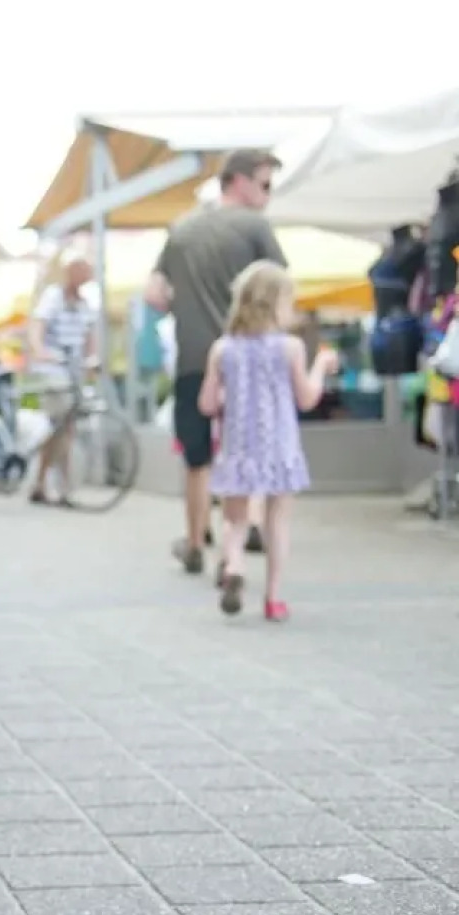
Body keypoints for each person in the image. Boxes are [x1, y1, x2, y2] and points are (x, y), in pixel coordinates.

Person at [146, 149, 288, 575]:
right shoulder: (254, 227)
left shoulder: (182, 229)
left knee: (198, 458)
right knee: (246, 447)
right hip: (247, 358)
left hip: (193, 358)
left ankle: (194, 542)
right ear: (239, 181)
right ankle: (246, 531)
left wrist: (186, 306)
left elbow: (154, 293)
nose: (268, 195)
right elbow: (279, 288)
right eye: (265, 185)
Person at [199, 261, 334, 622]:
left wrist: (229, 395)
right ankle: (273, 599)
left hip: (239, 447)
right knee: (277, 522)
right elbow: (306, 398)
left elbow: (207, 404)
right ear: (276, 304)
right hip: (279, 447)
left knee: (236, 520)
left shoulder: (223, 349)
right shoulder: (290, 348)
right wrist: (321, 366)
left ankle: (234, 565)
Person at [27, 252, 97, 506]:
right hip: (53, 371)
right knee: (63, 427)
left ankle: (41, 482)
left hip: (72, 372)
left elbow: (89, 337)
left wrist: (92, 359)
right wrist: (40, 350)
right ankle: (63, 487)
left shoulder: (84, 305)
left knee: (62, 429)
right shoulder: (53, 298)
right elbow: (37, 327)